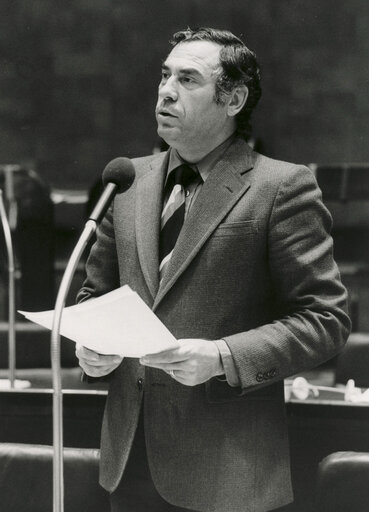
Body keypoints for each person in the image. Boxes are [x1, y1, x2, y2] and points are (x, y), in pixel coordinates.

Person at [76, 27, 351, 512]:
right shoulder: (127, 180)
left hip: (227, 469)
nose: (166, 90)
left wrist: (223, 356)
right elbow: (94, 297)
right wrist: (92, 347)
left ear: (234, 99)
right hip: (129, 460)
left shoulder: (281, 187)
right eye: (164, 76)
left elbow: (324, 320)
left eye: (188, 79)